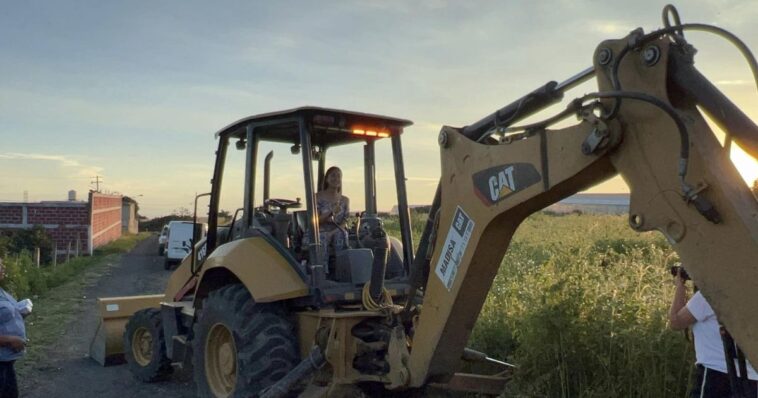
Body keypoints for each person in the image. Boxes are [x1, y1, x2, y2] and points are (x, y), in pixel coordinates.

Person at [669, 265, 758, 397]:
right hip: (751, 378)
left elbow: (676, 322)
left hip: (716, 372)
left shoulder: (711, 293)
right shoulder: (749, 293)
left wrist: (680, 286)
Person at [0, 258, 28, 398]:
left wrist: (20, 314)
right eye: (0, 265)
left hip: (7, 361)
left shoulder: (1, 291)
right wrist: (9, 340)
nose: (3, 267)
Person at [316, 166, 350, 268]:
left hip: (337, 229)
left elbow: (345, 221)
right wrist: (331, 212)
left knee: (342, 235)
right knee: (322, 237)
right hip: (320, 228)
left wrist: (332, 233)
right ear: (327, 179)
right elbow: (315, 221)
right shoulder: (317, 197)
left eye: (339, 176)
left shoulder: (345, 200)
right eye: (333, 175)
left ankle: (342, 270)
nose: (336, 178)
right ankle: (322, 271)